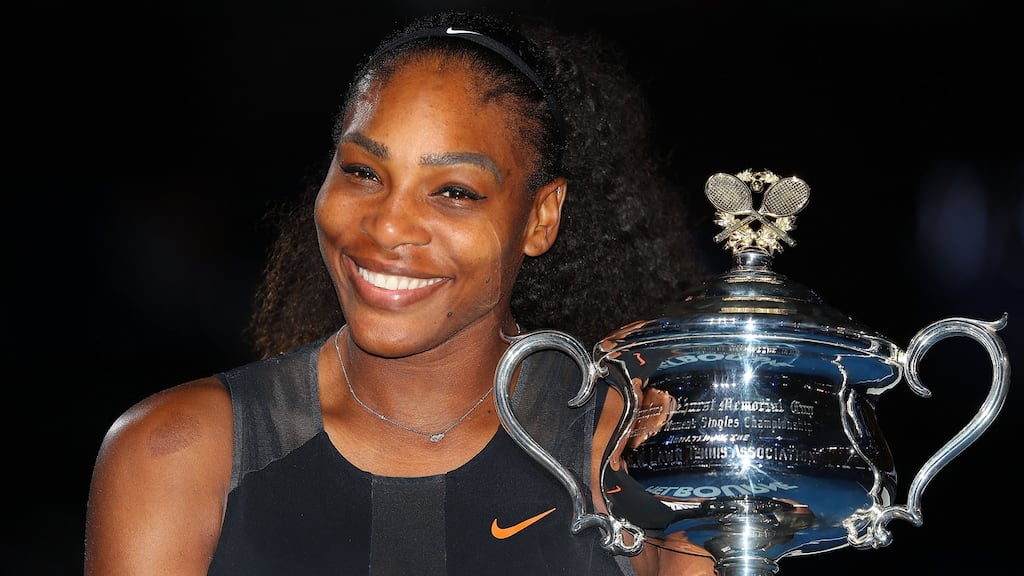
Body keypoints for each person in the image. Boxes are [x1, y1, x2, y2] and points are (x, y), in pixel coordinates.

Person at [84, 9, 714, 576]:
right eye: (363, 173)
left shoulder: (635, 457)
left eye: (454, 192)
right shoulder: (177, 453)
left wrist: (702, 490)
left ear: (541, 218)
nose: (387, 225)